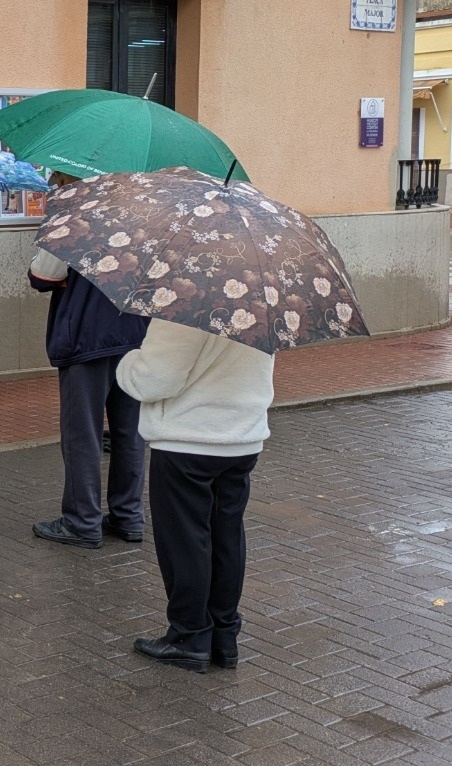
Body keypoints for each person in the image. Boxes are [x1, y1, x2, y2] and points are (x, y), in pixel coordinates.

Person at [118, 320, 276, 673]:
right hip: (242, 437)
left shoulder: (182, 308)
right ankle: (224, 636)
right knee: (226, 536)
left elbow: (153, 379)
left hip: (187, 439)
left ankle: (189, 636)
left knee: (185, 541)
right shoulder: (259, 306)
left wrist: (128, 362)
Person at [27, 175, 149, 548]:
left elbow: (43, 275)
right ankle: (128, 516)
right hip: (134, 336)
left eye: (55, 183)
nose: (52, 190)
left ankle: (82, 521)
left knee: (83, 433)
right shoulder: (139, 219)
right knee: (130, 433)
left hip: (86, 338)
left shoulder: (72, 220)